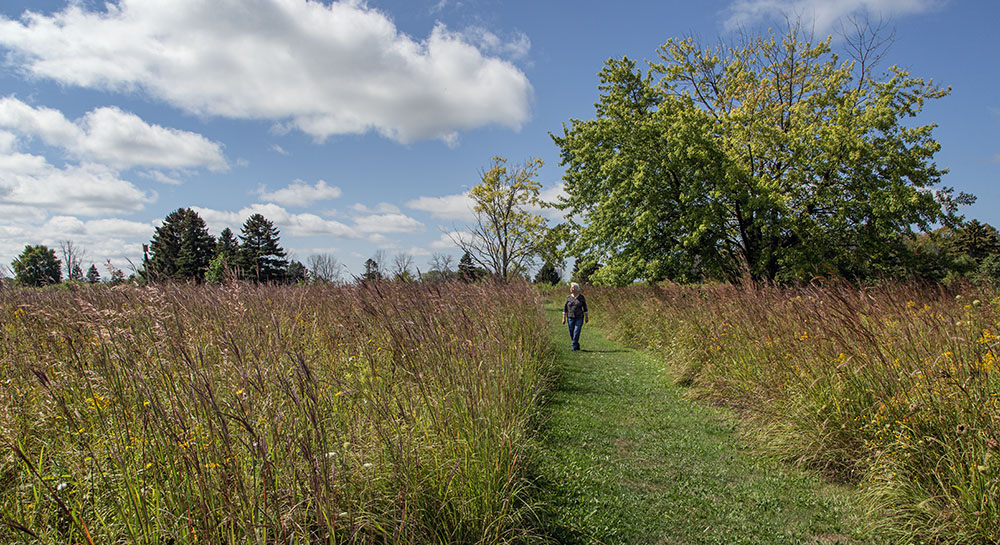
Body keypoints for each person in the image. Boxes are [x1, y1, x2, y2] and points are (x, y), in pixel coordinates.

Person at [561, 282, 589, 351]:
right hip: (570, 317)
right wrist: (563, 317)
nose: (571, 289)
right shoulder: (568, 297)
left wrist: (586, 317)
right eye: (571, 287)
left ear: (576, 289)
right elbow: (565, 308)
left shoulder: (581, 297)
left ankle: (573, 346)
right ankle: (576, 345)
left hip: (579, 317)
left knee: (576, 331)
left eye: (572, 287)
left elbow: (585, 308)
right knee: (571, 332)